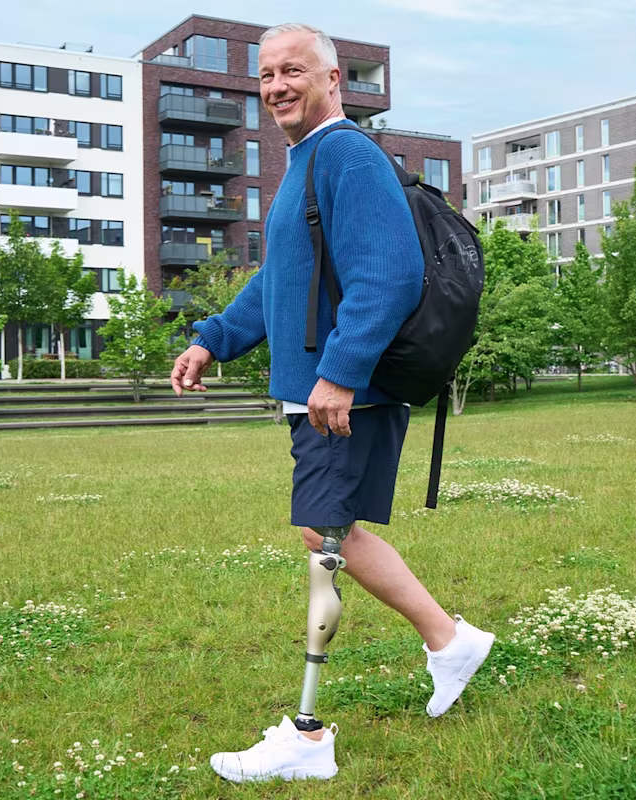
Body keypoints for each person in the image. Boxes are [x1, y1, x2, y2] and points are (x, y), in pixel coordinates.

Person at [170, 22, 495, 784]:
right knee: (328, 530)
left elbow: (387, 273)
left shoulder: (346, 153)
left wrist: (342, 372)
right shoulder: (306, 163)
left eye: (294, 71)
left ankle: (310, 741)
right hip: (326, 391)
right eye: (267, 75)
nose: (278, 85)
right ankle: (449, 642)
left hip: (342, 397)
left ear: (332, 81)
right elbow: (280, 281)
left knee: (324, 534)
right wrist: (213, 338)